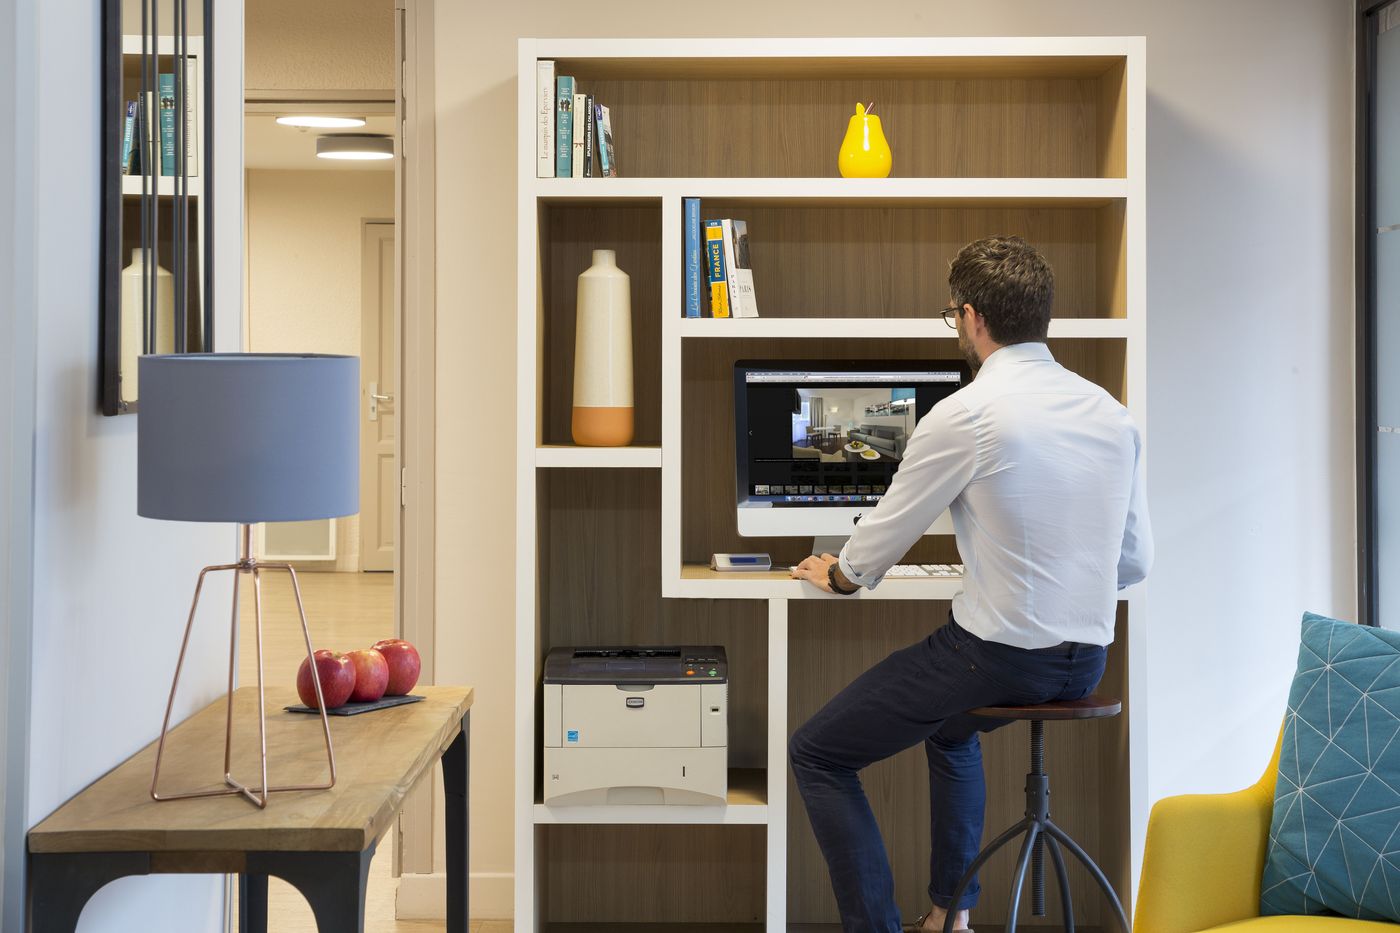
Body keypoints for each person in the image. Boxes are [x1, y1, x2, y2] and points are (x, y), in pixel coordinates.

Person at [789, 235, 1152, 933]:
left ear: (971, 316)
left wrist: (837, 573)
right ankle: (949, 915)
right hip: (1087, 659)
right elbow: (1133, 562)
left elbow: (879, 542)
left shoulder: (967, 413)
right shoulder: (1111, 413)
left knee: (818, 751)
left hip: (998, 657)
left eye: (953, 315)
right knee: (952, 733)